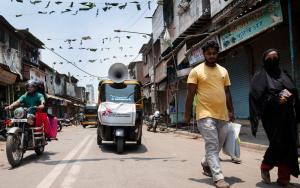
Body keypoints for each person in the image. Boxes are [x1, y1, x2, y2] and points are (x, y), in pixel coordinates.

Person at [185, 41, 234, 188]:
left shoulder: (223, 71)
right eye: (209, 53)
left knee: (217, 144)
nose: (212, 56)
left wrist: (231, 111)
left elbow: (227, 92)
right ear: (204, 54)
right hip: (204, 114)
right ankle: (218, 177)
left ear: (217, 53)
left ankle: (206, 162)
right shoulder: (196, 71)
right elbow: (190, 94)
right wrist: (187, 114)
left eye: (214, 53)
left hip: (223, 114)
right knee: (212, 145)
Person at [249, 49, 299, 187]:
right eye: (269, 58)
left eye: (275, 57)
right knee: (278, 144)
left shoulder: (284, 74)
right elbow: (256, 98)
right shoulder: (260, 76)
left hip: (288, 116)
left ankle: (284, 179)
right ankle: (265, 166)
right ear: (264, 60)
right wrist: (275, 100)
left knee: (289, 145)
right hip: (271, 118)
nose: (273, 60)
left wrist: (290, 95)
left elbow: (294, 90)